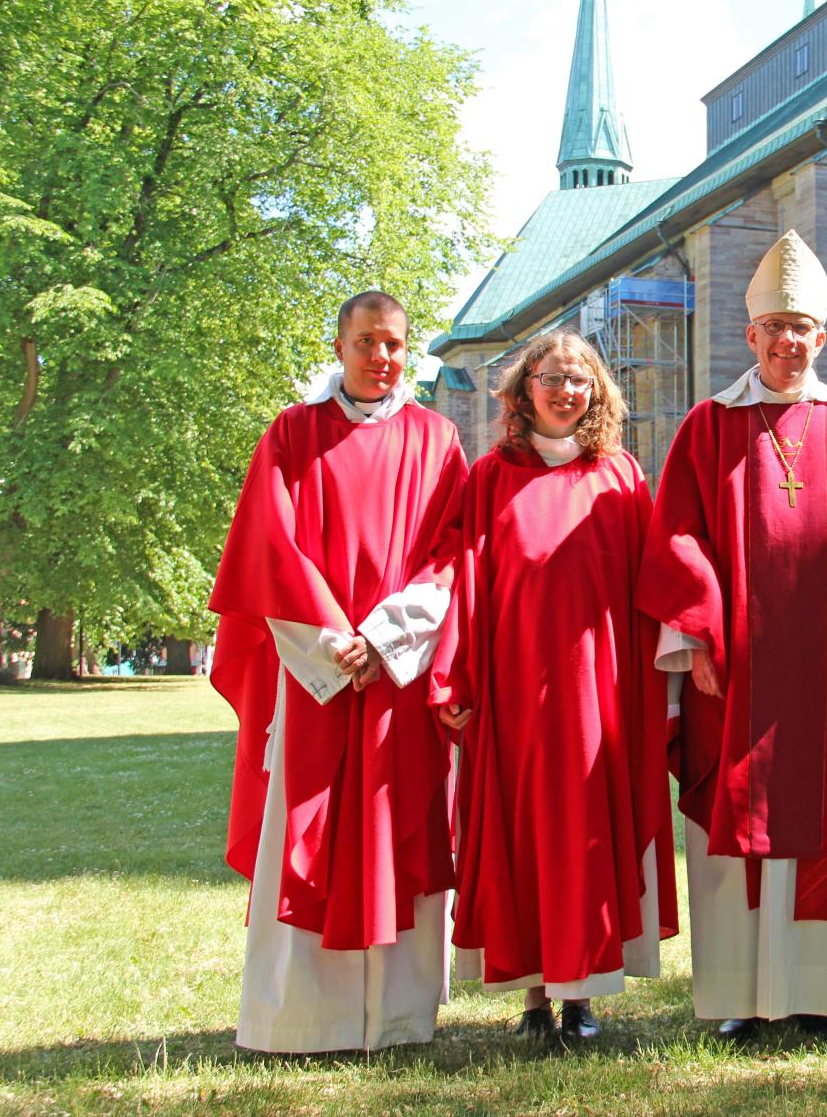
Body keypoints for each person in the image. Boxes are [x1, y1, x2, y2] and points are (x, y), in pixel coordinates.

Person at [636, 230, 827, 1038]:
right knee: (738, 818)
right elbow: (678, 540)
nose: (789, 342)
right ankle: (741, 998)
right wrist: (698, 644)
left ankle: (826, 994)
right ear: (750, 335)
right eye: (776, 328)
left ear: (822, 340)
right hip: (741, 667)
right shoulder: (707, 428)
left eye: (803, 329)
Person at [209, 291, 468, 1052]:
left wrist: (385, 638)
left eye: (393, 344)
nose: (380, 357)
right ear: (340, 344)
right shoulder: (292, 434)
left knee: (400, 826)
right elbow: (269, 549)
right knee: (310, 825)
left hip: (397, 673)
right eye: (365, 342)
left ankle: (397, 1015)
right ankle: (301, 1019)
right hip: (316, 676)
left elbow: (453, 552)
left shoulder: (438, 439)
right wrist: (334, 645)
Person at [428, 328, 677, 1041]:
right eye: (551, 377)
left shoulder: (621, 476)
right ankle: (534, 996)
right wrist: (454, 674)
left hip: (599, 690)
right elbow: (466, 582)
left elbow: (649, 583)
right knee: (525, 833)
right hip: (517, 691)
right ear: (524, 388)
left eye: (579, 380)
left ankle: (582, 995)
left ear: (597, 393)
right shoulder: (490, 479)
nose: (565, 390)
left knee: (588, 837)